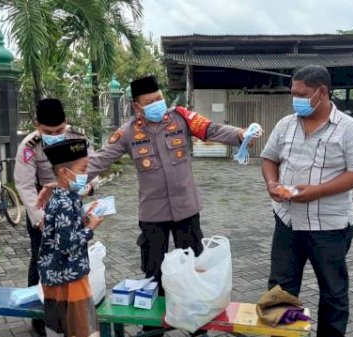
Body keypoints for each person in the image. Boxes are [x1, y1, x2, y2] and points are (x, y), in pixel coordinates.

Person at [72, 75, 247, 336]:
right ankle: (152, 327)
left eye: (159, 98)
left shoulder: (180, 118)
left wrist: (240, 135)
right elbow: (101, 159)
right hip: (153, 214)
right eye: (150, 101)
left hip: (187, 209)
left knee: (192, 267)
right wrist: (72, 181)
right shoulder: (128, 132)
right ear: (137, 106)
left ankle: (196, 326)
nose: (158, 104)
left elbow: (211, 129)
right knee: (153, 272)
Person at [260, 65, 353, 337]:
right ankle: (282, 334)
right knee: (280, 290)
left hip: (329, 227)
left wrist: (316, 191)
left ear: (322, 92)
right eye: (293, 93)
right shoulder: (285, 125)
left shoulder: (349, 129)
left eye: (302, 93)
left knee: (333, 292)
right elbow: (269, 157)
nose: (296, 99)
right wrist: (271, 183)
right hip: (288, 222)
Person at [13, 98, 89, 336]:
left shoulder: (77, 138)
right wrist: (40, 218)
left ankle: (70, 309)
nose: (54, 135)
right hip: (42, 209)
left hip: (72, 207)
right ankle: (38, 314)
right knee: (42, 260)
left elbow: (91, 171)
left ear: (66, 122)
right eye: (48, 131)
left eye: (59, 130)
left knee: (72, 257)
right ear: (37, 125)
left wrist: (81, 191)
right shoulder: (29, 146)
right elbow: (24, 185)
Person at [39, 138, 103, 337]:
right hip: (69, 277)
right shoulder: (65, 202)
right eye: (83, 170)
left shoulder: (63, 196)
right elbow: (66, 244)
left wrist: (83, 219)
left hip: (58, 275)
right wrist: (90, 228)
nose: (86, 175)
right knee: (80, 329)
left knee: (60, 328)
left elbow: (63, 230)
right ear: (65, 173)